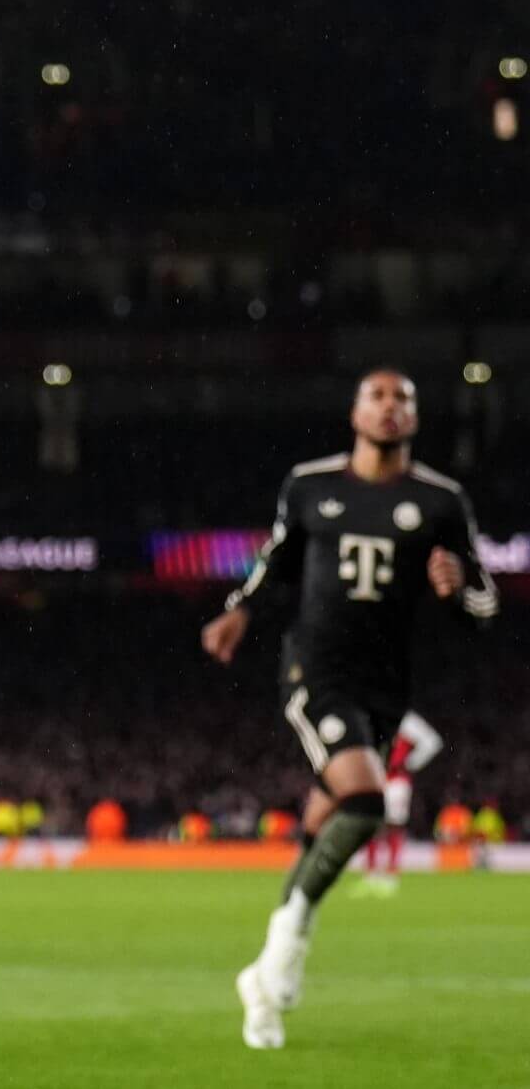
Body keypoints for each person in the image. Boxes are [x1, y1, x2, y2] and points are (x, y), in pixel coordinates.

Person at [202, 369, 499, 1049]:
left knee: (324, 822)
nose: (391, 408)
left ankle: (263, 983)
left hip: (386, 686)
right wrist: (239, 610)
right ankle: (283, 953)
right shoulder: (311, 486)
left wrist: (458, 592)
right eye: (379, 396)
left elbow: (486, 604)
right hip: (316, 672)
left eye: (404, 399)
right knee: (365, 801)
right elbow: (277, 558)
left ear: (416, 419)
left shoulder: (441, 501)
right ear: (355, 411)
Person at [358, 712, 444, 896]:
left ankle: (391, 874)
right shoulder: (372, 716)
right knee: (372, 824)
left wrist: (410, 762)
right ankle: (371, 873)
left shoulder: (408, 720)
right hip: (375, 778)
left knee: (393, 825)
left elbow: (433, 742)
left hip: (397, 781)